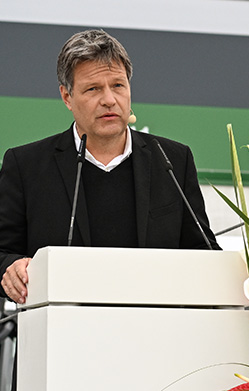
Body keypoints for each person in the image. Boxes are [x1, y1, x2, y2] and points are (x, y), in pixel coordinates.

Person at [1, 28, 215, 306]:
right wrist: (12, 269)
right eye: (93, 89)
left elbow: (204, 252)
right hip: (61, 338)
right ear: (67, 97)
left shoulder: (172, 160)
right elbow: (3, 252)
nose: (109, 100)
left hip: (156, 332)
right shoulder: (26, 165)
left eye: (118, 85)